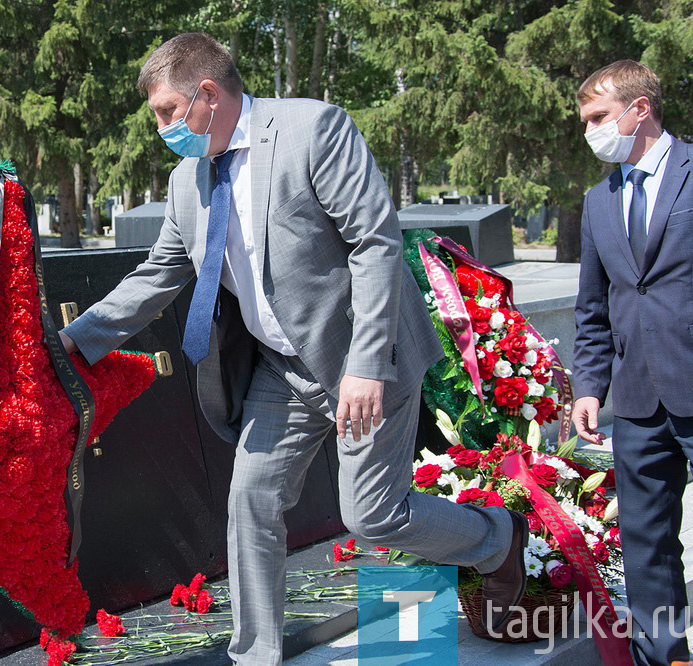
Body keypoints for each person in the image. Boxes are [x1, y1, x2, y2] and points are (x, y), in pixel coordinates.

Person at [60, 32, 525, 664]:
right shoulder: (184, 184)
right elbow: (159, 275)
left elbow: (376, 242)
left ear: (207, 94)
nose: (164, 129)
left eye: (169, 113)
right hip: (281, 371)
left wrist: (365, 366)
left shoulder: (312, 130)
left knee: (371, 515)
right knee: (251, 502)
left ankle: (497, 537)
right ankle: (255, 655)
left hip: (364, 356)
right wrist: (70, 344)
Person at [573, 60, 693, 666]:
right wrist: (589, 385)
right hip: (635, 400)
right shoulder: (598, 201)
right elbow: (593, 305)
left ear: (641, 109)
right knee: (647, 541)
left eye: (599, 118)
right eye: (585, 122)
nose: (591, 132)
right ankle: (666, 658)